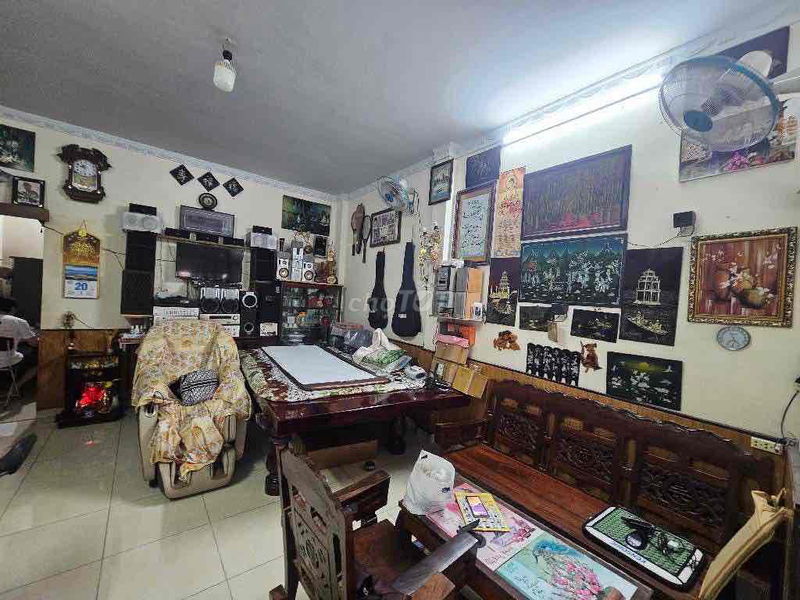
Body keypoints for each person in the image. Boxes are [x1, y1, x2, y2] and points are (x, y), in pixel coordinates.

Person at [0, 297, 38, 387]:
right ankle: (16, 386)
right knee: (38, 361)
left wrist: (18, 339)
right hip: (5, 360)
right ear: (13, 309)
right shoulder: (19, 321)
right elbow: (34, 343)